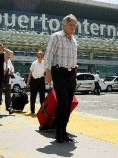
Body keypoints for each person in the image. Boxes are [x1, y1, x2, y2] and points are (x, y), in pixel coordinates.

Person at [45, 14, 78, 143]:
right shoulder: (57, 37)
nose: (73, 28)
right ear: (64, 25)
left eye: (74, 26)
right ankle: (58, 132)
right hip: (59, 73)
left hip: (71, 74)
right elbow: (49, 54)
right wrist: (48, 72)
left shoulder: (74, 40)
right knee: (62, 103)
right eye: (71, 25)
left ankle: (64, 132)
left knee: (68, 105)